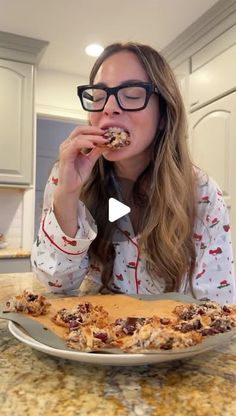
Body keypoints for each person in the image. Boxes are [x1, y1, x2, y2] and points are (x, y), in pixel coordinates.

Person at [31, 42, 235, 304]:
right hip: (97, 339)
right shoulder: (67, 176)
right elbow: (56, 284)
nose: (108, 108)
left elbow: (219, 307)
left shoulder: (201, 193)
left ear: (163, 114)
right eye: (98, 96)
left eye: (132, 94)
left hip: (172, 341)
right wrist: (67, 195)